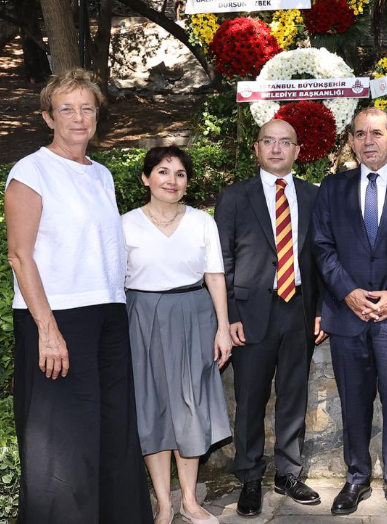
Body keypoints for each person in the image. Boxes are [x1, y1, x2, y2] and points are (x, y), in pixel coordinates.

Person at [4, 68, 152, 524]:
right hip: (57, 318)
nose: (78, 117)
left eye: (87, 108)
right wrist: (47, 331)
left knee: (112, 432)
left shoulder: (101, 174)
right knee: (63, 443)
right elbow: (19, 256)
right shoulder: (31, 171)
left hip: (108, 313)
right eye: (66, 109)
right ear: (48, 117)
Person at [312, 108, 387, 520]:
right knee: (353, 401)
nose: (369, 141)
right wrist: (347, 292)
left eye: (377, 133)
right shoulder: (333, 188)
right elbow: (322, 246)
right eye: (360, 134)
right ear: (350, 140)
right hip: (347, 315)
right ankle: (357, 477)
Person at [214, 119, 326, 517]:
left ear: (298, 150)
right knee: (250, 398)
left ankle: (288, 474)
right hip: (250, 314)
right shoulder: (234, 197)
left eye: (285, 142)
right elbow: (222, 260)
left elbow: (323, 257)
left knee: (294, 395)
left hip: (300, 308)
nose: (277, 149)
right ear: (257, 148)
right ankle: (249, 477)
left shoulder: (314, 196)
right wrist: (229, 315)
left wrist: (321, 310)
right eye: (269, 141)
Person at [123, 145, 232, 524]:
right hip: (142, 319)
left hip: (193, 316)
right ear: (146, 178)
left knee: (190, 407)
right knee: (150, 409)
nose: (172, 180)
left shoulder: (202, 222)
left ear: (187, 182)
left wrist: (223, 328)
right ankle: (163, 504)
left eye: (180, 174)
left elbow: (215, 276)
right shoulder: (124, 224)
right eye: (163, 172)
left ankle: (189, 500)